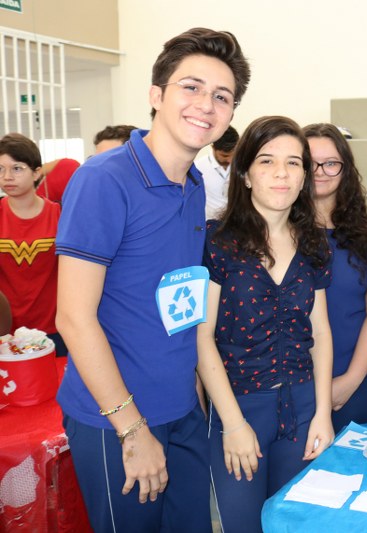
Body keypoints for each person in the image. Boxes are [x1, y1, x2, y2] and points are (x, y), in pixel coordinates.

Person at [54, 28, 250, 533]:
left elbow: (178, 301)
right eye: (192, 87)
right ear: (156, 95)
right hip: (116, 419)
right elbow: (73, 318)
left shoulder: (194, 184)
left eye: (222, 96)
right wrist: (131, 429)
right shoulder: (104, 179)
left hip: (181, 409)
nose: (206, 104)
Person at [196, 116, 334, 531]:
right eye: (267, 161)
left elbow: (321, 334)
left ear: (304, 176)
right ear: (245, 174)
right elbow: (202, 338)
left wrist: (322, 413)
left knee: (293, 524)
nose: (281, 173)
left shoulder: (314, 242)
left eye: (293, 163)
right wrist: (233, 423)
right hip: (240, 406)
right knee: (244, 525)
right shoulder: (217, 241)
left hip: (303, 406)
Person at [303, 122, 367, 433]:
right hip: (291, 386)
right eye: (309, 162)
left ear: (346, 169)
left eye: (331, 163)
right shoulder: (277, 233)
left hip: (352, 380)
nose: (319, 171)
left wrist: (350, 381)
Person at [0, 133, 66, 355]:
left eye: (17, 168)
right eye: (0, 169)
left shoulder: (60, 215)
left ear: (37, 172)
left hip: (55, 330)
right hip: (6, 332)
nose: (7, 177)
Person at [195, 124, 238, 220]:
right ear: (213, 147)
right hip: (210, 223)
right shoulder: (198, 168)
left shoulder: (242, 164)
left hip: (236, 222)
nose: (230, 160)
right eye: (225, 156)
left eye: (233, 154)